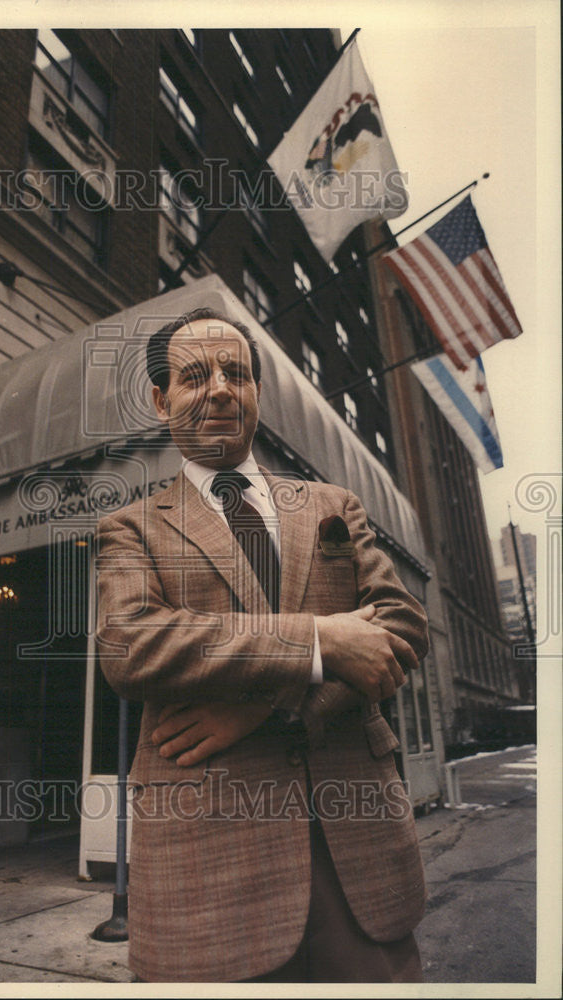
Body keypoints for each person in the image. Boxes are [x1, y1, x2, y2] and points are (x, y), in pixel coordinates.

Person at [94, 307, 429, 983]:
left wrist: (269, 706)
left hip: (358, 854)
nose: (219, 388)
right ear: (162, 401)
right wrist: (316, 639)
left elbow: (399, 627)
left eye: (236, 373)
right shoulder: (128, 528)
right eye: (194, 376)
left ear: (254, 394)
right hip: (208, 869)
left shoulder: (333, 505)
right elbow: (128, 645)